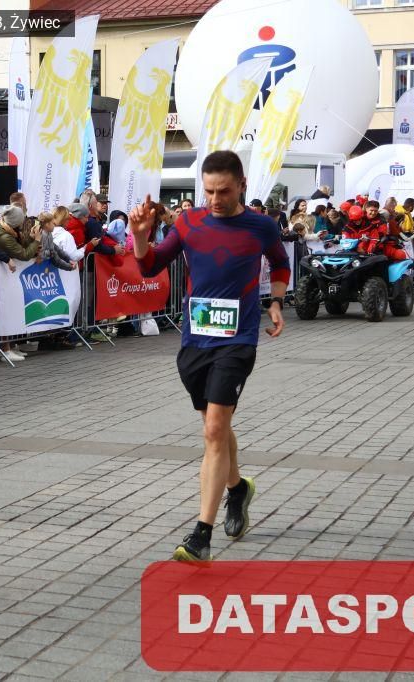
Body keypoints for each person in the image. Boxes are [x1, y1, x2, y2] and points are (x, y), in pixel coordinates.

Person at [131, 150, 289, 562]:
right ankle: (238, 489)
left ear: (242, 186)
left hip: (238, 339)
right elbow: (149, 267)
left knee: (215, 429)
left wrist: (276, 301)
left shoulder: (261, 226)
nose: (215, 200)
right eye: (209, 191)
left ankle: (202, 534)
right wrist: (141, 237)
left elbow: (280, 263)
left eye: (224, 191)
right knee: (215, 427)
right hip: (195, 340)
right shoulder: (188, 222)